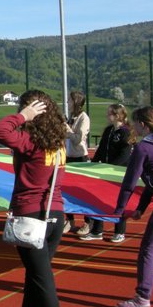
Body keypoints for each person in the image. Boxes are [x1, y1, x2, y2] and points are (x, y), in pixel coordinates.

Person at [0, 90, 69, 307]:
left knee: (42, 279)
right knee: (36, 277)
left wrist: (23, 116)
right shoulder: (58, 143)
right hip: (55, 215)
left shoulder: (29, 141)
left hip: (31, 215)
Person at [110, 107, 153, 307]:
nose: (133, 127)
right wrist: (141, 207)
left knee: (149, 249)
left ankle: (142, 298)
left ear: (143, 125)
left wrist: (119, 209)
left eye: (135, 123)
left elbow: (130, 183)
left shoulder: (143, 148)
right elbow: (152, 182)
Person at [83, 104, 133, 242]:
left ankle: (119, 232)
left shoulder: (125, 132)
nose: (107, 115)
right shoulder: (108, 130)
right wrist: (93, 163)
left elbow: (125, 154)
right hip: (103, 172)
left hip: (118, 173)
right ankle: (97, 231)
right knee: (98, 200)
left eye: (109, 113)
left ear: (117, 115)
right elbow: (101, 150)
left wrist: (111, 167)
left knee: (118, 202)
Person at [65, 91, 91, 234]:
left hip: (80, 157)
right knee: (66, 191)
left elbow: (77, 139)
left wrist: (66, 128)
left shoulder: (83, 117)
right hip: (68, 156)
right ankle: (69, 220)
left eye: (69, 100)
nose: (67, 102)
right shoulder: (71, 116)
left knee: (82, 192)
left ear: (76, 102)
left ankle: (87, 222)